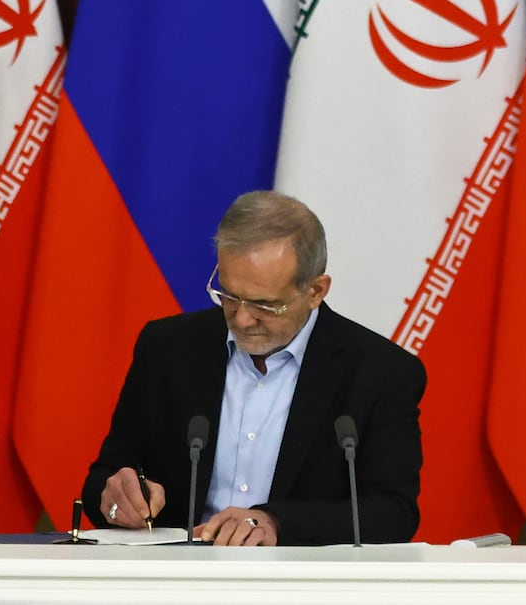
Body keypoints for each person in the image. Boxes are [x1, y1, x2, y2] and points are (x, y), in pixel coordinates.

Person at [83, 190, 425, 545]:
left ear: (315, 291)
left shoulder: (380, 372)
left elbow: (392, 512)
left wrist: (275, 522)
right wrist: (116, 499)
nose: (243, 319)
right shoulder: (167, 348)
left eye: (264, 304)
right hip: (177, 579)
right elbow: (105, 479)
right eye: (229, 295)